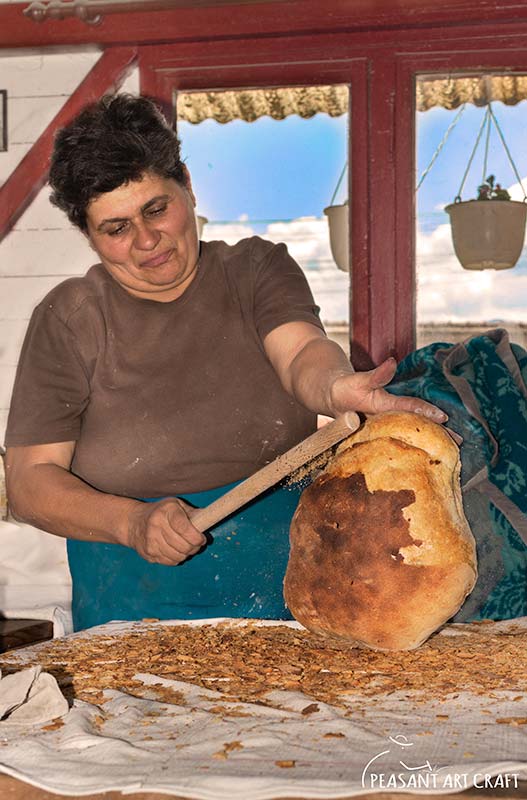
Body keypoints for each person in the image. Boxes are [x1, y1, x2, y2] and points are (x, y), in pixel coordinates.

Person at [4, 94, 446, 631]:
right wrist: (133, 522)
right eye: (116, 229)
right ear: (87, 234)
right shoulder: (70, 319)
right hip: (129, 614)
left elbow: (301, 352)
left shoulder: (256, 269)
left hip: (290, 599)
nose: (146, 242)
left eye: (156, 209)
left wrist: (334, 387)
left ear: (186, 185)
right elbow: (29, 484)